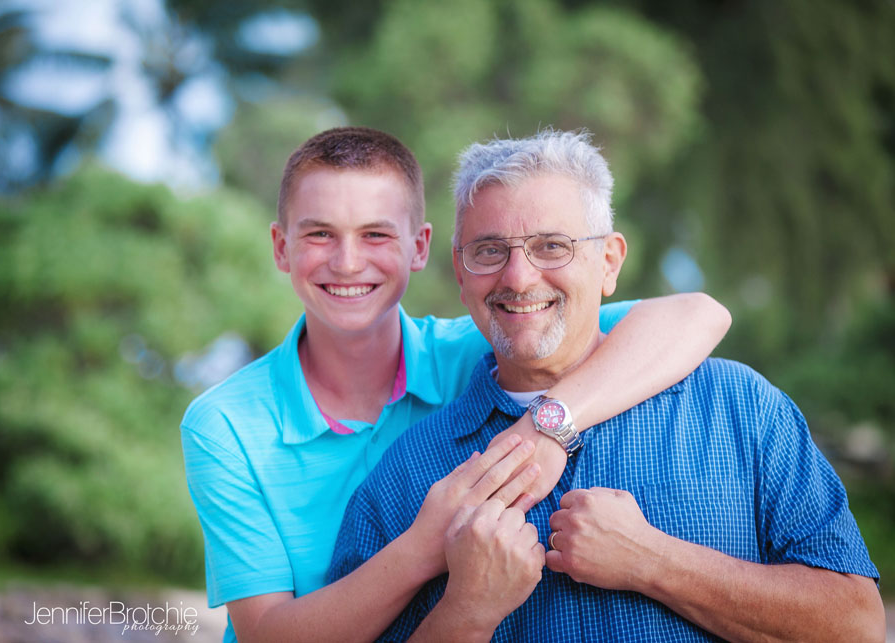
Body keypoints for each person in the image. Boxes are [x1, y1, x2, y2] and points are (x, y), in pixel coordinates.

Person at [329, 129, 885, 642]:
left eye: (552, 246)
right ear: (459, 270)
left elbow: (857, 625)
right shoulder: (408, 478)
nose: (519, 277)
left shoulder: (739, 409)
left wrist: (653, 561)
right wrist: (466, 611)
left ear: (610, 261)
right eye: (489, 251)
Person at [180, 127, 731, 643]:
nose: (347, 262)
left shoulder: (483, 344)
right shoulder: (225, 425)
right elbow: (269, 635)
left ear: (419, 248)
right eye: (320, 234)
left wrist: (547, 425)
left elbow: (696, 315)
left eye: (375, 234)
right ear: (281, 247)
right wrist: (426, 545)